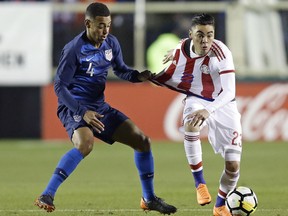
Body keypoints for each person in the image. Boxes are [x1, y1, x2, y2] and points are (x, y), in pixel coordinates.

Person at [34, 2, 177, 215]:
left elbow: (121, 70)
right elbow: (59, 87)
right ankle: (47, 194)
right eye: (100, 26)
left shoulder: (111, 43)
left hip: (99, 108)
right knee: (85, 143)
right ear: (88, 24)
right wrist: (82, 112)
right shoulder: (74, 49)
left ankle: (149, 199)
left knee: (142, 141)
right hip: (73, 107)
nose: (105, 31)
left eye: (108, 25)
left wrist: (139, 76)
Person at [151, 13, 242, 216]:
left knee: (233, 165)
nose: (205, 40)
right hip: (197, 96)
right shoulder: (183, 46)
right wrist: (173, 52)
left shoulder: (222, 53)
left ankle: (219, 206)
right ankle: (200, 184)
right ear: (191, 35)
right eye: (200, 35)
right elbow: (182, 46)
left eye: (210, 35)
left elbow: (229, 92)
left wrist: (208, 110)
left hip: (223, 103)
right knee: (191, 125)